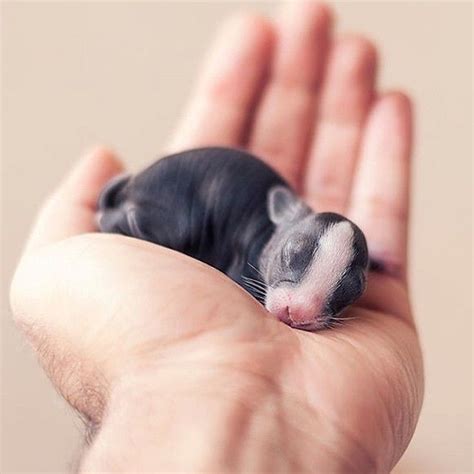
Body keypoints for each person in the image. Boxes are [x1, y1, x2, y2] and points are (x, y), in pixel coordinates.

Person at [10, 2, 423, 472]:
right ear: (282, 218)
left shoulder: (282, 239)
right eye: (294, 264)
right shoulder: (257, 228)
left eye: (337, 298)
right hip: (169, 197)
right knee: (175, 226)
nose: (301, 308)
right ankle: (132, 221)